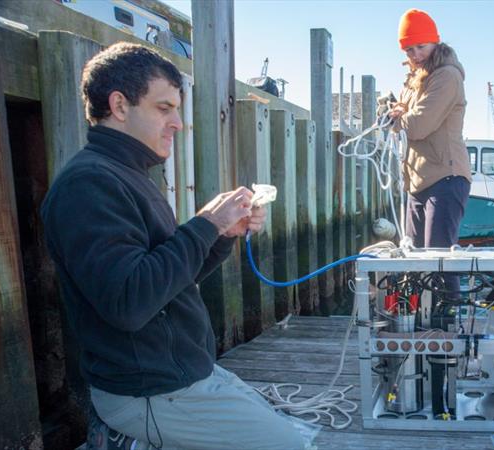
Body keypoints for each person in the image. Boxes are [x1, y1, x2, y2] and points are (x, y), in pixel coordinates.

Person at [40, 43, 302, 450]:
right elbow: (129, 301)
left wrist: (219, 236)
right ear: (120, 105)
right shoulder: (88, 185)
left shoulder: (129, 174)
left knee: (292, 430)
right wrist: (205, 225)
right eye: (164, 109)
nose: (178, 123)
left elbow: (167, 282)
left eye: (177, 110)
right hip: (148, 392)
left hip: (184, 375)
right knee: (295, 446)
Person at [389, 8, 471, 254]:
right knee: (415, 263)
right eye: (409, 50)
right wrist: (396, 113)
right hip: (418, 181)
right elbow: (403, 114)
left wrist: (396, 119)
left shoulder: (447, 76)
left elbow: (418, 125)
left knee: (440, 264)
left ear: (435, 41)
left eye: (421, 47)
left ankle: (448, 296)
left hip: (446, 178)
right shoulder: (415, 80)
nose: (416, 55)